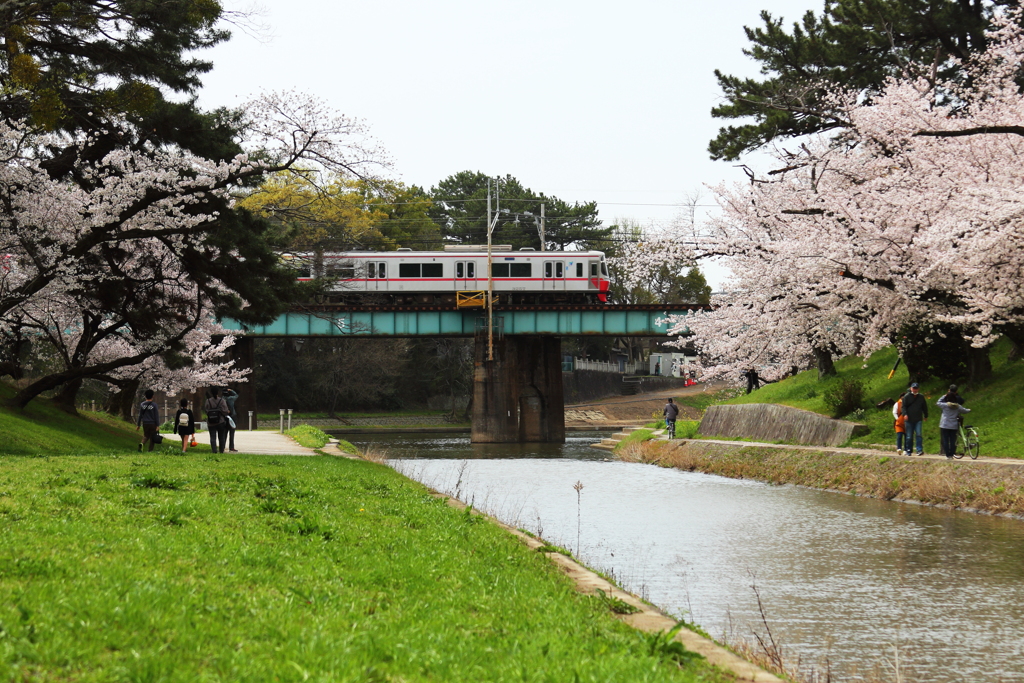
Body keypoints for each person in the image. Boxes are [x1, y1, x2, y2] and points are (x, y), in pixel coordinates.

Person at [937, 391, 971, 459]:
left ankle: (947, 455)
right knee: (953, 440)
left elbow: (938, 402)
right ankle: (952, 454)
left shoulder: (945, 405)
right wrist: (969, 410)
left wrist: (944, 395)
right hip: (953, 425)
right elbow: (965, 411)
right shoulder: (957, 406)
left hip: (945, 425)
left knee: (946, 440)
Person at [900, 382, 928, 456]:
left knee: (918, 434)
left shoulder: (921, 397)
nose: (915, 390)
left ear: (918, 389)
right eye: (913, 388)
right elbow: (903, 407)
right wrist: (905, 414)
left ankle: (919, 450)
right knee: (909, 436)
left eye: (916, 388)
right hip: (909, 420)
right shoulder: (906, 396)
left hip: (918, 418)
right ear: (911, 388)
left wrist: (926, 415)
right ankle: (908, 450)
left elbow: (924, 406)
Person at [204, 388, 230, 454]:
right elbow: (225, 411)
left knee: (212, 437)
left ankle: (214, 450)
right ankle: (221, 450)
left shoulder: (208, 401)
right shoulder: (222, 400)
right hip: (220, 421)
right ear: (218, 392)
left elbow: (206, 411)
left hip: (211, 422)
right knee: (221, 437)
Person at [222, 387, 239, 453]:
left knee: (224, 433)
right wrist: (231, 390)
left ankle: (222, 446)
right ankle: (231, 447)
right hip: (232, 416)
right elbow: (236, 395)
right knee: (232, 433)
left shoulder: (222, 400)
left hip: (225, 417)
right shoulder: (231, 398)